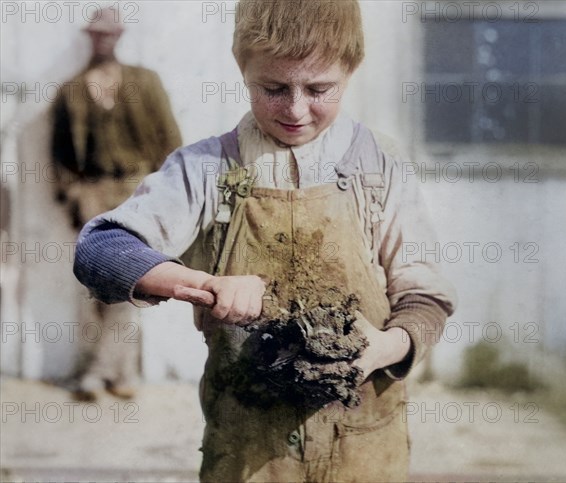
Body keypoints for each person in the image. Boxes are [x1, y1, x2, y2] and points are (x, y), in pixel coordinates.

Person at [73, 0, 456, 480]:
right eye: (273, 88)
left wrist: (383, 348)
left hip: (366, 448)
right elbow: (100, 248)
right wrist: (205, 284)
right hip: (249, 454)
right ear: (243, 68)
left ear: (351, 69)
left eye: (320, 89)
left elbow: (425, 299)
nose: (295, 109)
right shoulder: (205, 169)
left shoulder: (381, 165)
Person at [52, 7, 182, 399]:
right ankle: (121, 373)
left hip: (135, 189)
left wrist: (165, 196)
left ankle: (98, 371)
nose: (102, 40)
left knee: (129, 277)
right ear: (89, 38)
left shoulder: (145, 82)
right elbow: (59, 154)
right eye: (96, 34)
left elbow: (170, 142)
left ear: (119, 37)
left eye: (109, 34)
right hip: (92, 191)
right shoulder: (71, 90)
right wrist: (72, 193)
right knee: (92, 283)